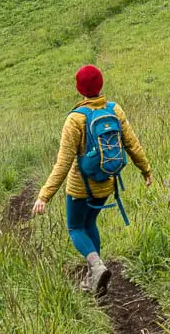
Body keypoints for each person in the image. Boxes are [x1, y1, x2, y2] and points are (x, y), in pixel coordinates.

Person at [32, 64, 153, 295]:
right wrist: (145, 169)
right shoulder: (114, 110)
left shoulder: (75, 119)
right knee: (90, 224)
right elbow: (132, 144)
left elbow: (63, 163)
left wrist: (44, 195)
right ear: (101, 85)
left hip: (80, 187)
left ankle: (96, 267)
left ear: (79, 90)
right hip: (106, 183)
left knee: (76, 227)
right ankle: (94, 278)